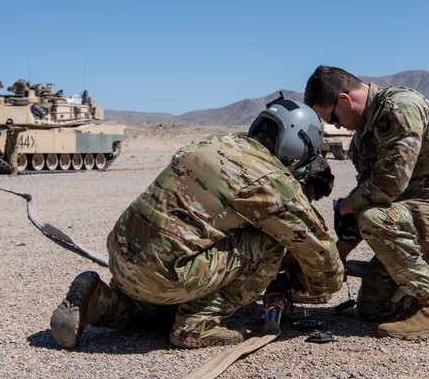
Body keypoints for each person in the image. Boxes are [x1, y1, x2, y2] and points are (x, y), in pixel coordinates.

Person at [50, 99, 344, 349]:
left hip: (122, 257)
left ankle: (98, 298)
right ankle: (196, 324)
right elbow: (321, 255)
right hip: (166, 275)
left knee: (154, 311)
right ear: (295, 146)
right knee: (269, 240)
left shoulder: (214, 142)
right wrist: (308, 286)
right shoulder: (272, 181)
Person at [304, 65, 429, 340]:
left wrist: (348, 206)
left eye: (334, 118)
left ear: (345, 100)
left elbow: (388, 186)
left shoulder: (400, 107)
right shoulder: (364, 139)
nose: (337, 126)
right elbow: (368, 198)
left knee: (374, 219)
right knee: (372, 308)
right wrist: (338, 255)